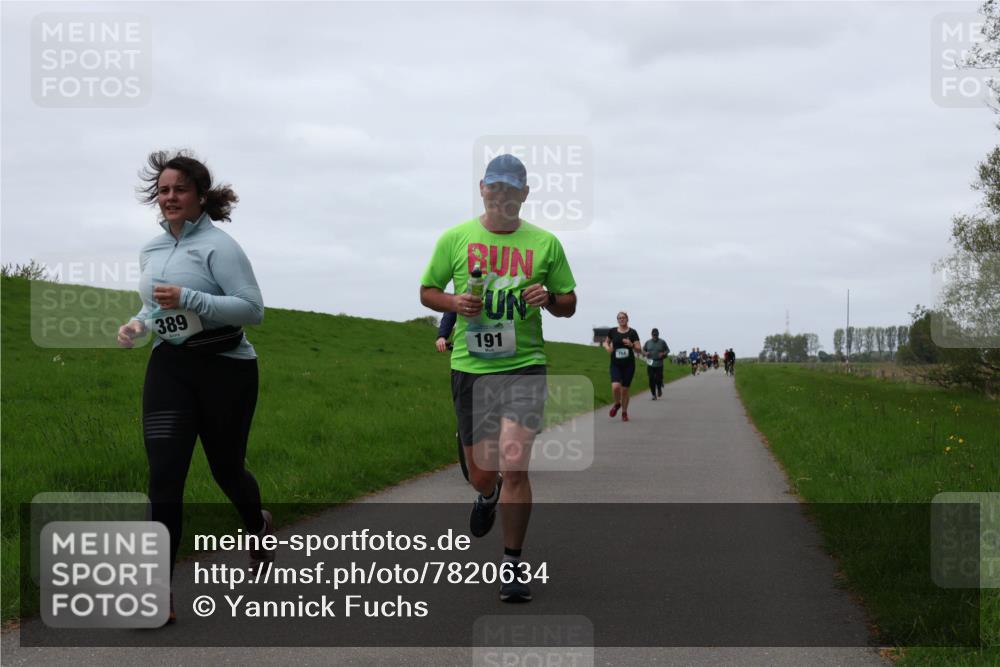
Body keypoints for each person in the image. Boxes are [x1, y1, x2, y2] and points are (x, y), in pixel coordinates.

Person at [117, 151, 271, 623]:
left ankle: (257, 525)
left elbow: (252, 309)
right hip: (170, 367)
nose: (170, 197)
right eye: (163, 190)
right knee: (165, 475)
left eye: (179, 189)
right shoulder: (151, 249)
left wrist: (190, 297)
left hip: (226, 368)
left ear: (200, 197)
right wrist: (138, 325)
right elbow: (153, 309)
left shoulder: (221, 247)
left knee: (227, 470)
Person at [420, 154, 577, 603]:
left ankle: (512, 564)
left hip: (524, 365)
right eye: (495, 187)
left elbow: (569, 302)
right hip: (472, 369)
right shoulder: (456, 238)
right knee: (483, 474)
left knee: (514, 465)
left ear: (524, 194)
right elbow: (427, 291)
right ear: (483, 188)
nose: (502, 195)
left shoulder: (546, 244)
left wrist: (548, 298)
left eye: (512, 189)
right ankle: (484, 495)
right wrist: (454, 305)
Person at [604, 312, 640, 420]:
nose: (621, 319)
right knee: (615, 387)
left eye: (623, 318)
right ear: (617, 320)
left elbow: (639, 348)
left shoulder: (633, 332)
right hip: (616, 364)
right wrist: (607, 348)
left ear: (627, 319)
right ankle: (617, 404)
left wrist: (632, 345)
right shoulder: (613, 331)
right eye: (619, 318)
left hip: (629, 365)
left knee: (624, 390)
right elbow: (606, 342)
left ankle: (624, 412)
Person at [642, 328, 670, 399]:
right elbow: (643, 350)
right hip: (650, 362)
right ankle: (653, 394)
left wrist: (663, 353)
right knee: (651, 379)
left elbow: (668, 350)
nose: (655, 336)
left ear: (658, 334)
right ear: (651, 335)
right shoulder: (648, 342)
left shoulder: (662, 342)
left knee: (658, 378)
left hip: (659, 363)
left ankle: (659, 389)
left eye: (656, 335)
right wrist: (645, 353)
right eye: (654, 335)